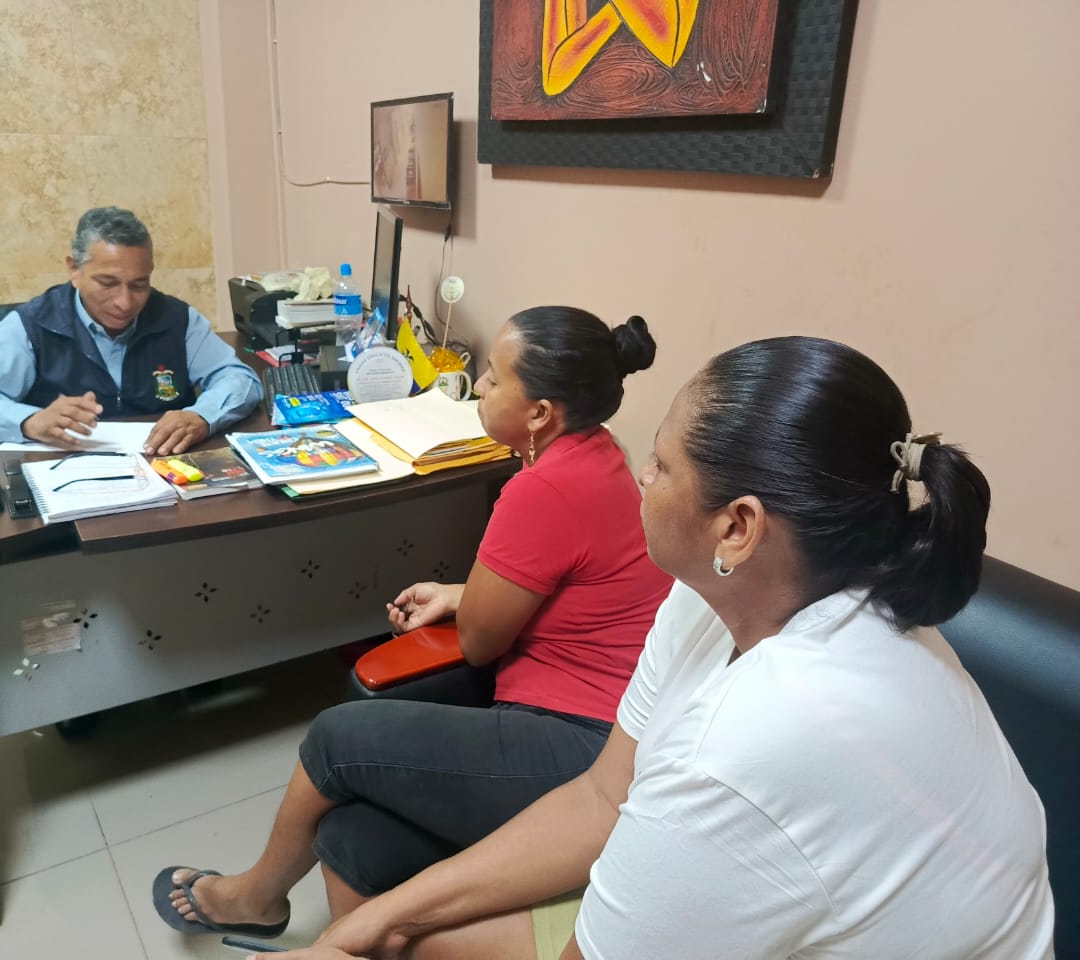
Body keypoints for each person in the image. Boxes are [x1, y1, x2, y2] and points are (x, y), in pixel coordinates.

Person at [282, 336, 1055, 960]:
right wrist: (375, 922)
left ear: (738, 526)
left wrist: (379, 940)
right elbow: (602, 798)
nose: (641, 478)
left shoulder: (750, 744)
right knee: (376, 889)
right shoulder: (718, 596)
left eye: (661, 464)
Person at [152, 306, 674, 938]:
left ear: (539, 413)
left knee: (335, 738)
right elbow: (563, 582)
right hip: (614, 726)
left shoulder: (543, 490)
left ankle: (256, 897)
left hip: (581, 745)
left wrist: (469, 605)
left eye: (493, 377)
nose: (479, 388)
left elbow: (479, 645)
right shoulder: (600, 453)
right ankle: (348, 937)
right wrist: (462, 593)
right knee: (350, 835)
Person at [0, 206, 261, 457]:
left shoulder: (176, 318)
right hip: (64, 479)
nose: (124, 302)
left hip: (166, 474)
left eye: (139, 285)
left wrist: (202, 416)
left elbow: (239, 378)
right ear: (74, 270)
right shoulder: (32, 325)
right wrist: (28, 421)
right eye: (107, 283)